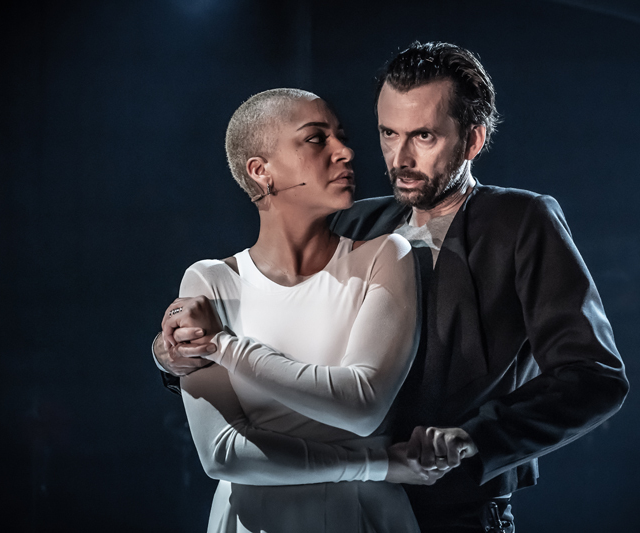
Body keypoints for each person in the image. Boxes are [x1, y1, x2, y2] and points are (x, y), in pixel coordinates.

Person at [156, 42, 629, 532]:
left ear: (472, 141)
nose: (399, 157)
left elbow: (594, 377)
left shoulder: (522, 221)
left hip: (458, 508)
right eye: (388, 133)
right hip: (346, 502)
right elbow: (264, 306)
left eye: (423, 136)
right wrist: (175, 354)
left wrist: (475, 437)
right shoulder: (355, 221)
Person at [165, 87, 449, 533]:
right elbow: (223, 454)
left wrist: (224, 346)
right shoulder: (209, 280)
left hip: (365, 519)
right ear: (261, 172)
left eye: (342, 136)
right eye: (317, 139)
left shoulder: (385, 255)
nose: (346, 151)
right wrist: (375, 465)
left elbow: (362, 407)